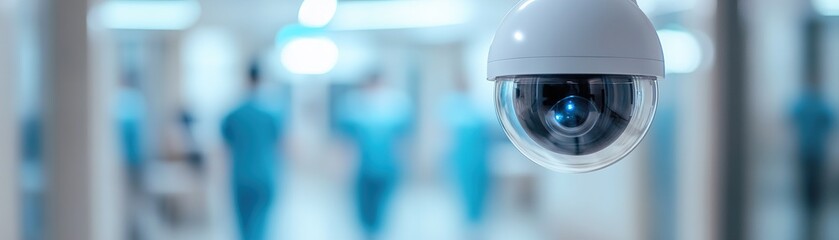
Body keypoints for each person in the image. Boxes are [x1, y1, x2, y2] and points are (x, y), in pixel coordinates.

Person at [338, 74, 412, 239]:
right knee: (365, 206)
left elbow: (402, 139)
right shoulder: (355, 106)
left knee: (381, 206)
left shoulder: (396, 106)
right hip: (363, 167)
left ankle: (375, 232)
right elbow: (346, 140)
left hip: (387, 166)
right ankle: (369, 231)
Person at [222, 62, 281, 240]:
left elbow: (223, 149)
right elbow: (283, 146)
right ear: (262, 80)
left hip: (241, 177)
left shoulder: (233, 114)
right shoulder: (272, 114)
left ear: (246, 79)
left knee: (244, 227)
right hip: (265, 176)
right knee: (260, 226)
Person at [440, 79, 491, 231]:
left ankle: (476, 222)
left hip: (477, 157)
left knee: (479, 190)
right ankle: (470, 222)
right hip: (463, 157)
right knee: (465, 191)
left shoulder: (476, 106)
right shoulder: (452, 105)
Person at [116, 70, 147, 240]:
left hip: (130, 161)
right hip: (137, 159)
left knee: (131, 200)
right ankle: (135, 231)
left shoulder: (123, 102)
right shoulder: (136, 102)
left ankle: (134, 232)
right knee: (136, 201)